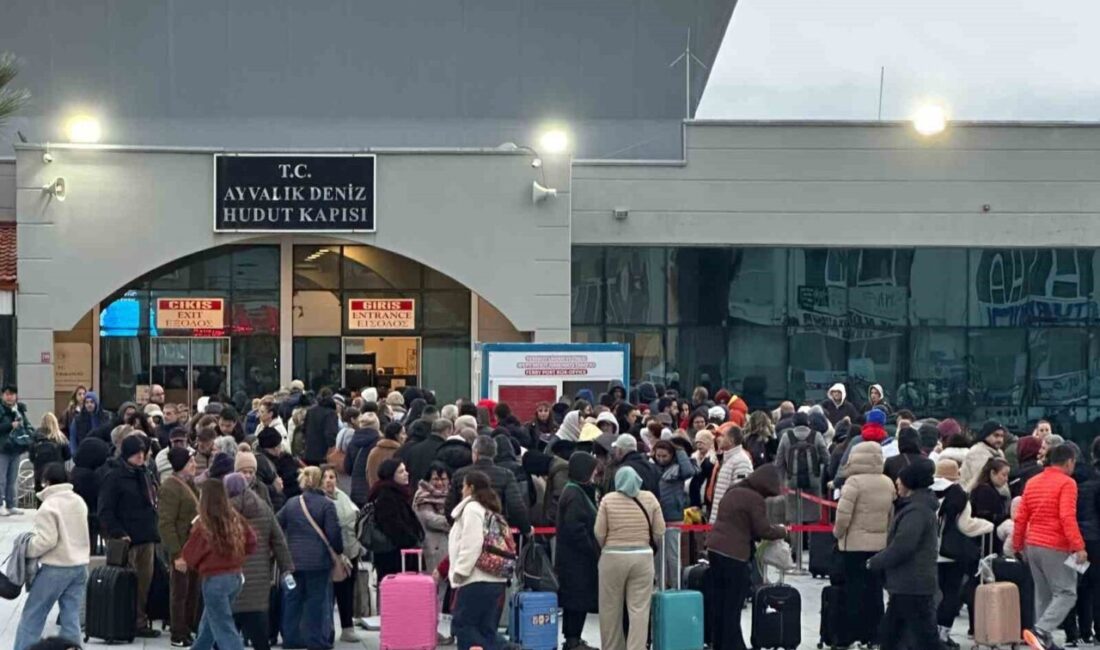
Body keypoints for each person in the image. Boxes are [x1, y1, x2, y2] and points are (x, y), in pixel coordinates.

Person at [1014, 444, 1087, 650]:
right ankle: (1041, 631)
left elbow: (1021, 517)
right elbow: (1066, 516)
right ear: (1070, 461)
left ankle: (1043, 641)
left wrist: (1018, 544)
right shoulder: (1067, 483)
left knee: (1043, 594)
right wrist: (1078, 546)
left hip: (1033, 544)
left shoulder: (1033, 482)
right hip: (1055, 544)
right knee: (1066, 593)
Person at [707, 463, 787, 650]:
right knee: (733, 604)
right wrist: (782, 531)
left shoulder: (733, 490)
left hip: (714, 549)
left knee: (720, 601)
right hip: (735, 554)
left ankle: (718, 642)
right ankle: (733, 645)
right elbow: (763, 529)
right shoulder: (754, 499)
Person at [12, 463, 90, 650]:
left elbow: (46, 541)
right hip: (79, 566)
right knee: (70, 616)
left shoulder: (48, 506)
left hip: (56, 567)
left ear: (46, 481)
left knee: (33, 615)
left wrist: (25, 547)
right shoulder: (78, 500)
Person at [867, 459, 941, 650]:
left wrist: (875, 561)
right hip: (908, 583)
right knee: (892, 634)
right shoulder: (917, 507)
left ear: (910, 482)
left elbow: (903, 546)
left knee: (924, 638)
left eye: (900, 479)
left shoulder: (916, 511)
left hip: (912, 583)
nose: (897, 483)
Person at [180, 479, 257, 650]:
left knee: (223, 626)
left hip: (214, 580)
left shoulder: (204, 524)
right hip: (236, 577)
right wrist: (237, 557)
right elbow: (252, 542)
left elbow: (190, 554)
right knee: (210, 623)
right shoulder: (235, 518)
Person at [98, 434, 161, 638]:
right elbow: (105, 510)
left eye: (143, 453)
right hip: (127, 540)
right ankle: (124, 621)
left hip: (147, 536)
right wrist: (118, 533)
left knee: (144, 584)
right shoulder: (115, 476)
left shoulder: (146, 474)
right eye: (136, 453)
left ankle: (139, 621)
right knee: (127, 585)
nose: (140, 457)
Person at [833, 441, 895, 648]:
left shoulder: (854, 482)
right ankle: (876, 634)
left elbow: (843, 517)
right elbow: (891, 516)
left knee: (853, 592)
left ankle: (852, 634)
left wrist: (837, 534)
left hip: (853, 546)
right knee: (875, 591)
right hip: (879, 546)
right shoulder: (888, 482)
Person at [594, 466, 664, 650]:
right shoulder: (650, 498)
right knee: (639, 609)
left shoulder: (608, 500)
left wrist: (609, 546)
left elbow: (599, 532)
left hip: (612, 557)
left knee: (610, 609)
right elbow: (660, 531)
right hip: (643, 557)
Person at [224, 472, 293, 650]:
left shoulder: (224, 512)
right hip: (259, 580)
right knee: (260, 635)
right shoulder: (263, 508)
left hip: (231, 578)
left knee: (226, 634)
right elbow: (279, 541)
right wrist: (287, 568)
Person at [277, 466, 343, 650]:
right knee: (317, 601)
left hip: (293, 561)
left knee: (293, 600)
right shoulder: (327, 504)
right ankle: (316, 640)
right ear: (320, 481)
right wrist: (338, 551)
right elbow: (334, 534)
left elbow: (277, 524)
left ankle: (290, 639)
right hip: (318, 562)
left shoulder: (291, 503)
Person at [448, 470, 511, 650]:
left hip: (476, 578)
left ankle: (509, 648)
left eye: (464, 486)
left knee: (463, 626)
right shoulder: (490, 509)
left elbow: (472, 543)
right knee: (486, 630)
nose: (461, 491)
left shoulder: (472, 509)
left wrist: (460, 572)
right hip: (495, 578)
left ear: (471, 488)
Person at [555, 452, 600, 650]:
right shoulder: (574, 493)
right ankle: (572, 639)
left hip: (574, 558)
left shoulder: (576, 490)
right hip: (577, 559)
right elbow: (575, 526)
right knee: (576, 599)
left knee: (576, 599)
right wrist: (591, 548)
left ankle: (574, 637)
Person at [158, 447, 201, 647]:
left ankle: (188, 627)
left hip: (194, 546)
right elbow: (166, 523)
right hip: (181, 548)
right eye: (190, 462)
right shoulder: (170, 487)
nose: (195, 464)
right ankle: (178, 632)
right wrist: (176, 554)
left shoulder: (191, 484)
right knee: (180, 592)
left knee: (192, 590)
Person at [446, 435, 532, 534]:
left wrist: (458, 525)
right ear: (494, 454)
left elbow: (450, 507)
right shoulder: (506, 475)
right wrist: (526, 529)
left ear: (475, 453)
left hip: (467, 528)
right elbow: (516, 506)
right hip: (496, 532)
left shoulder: (460, 474)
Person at [321, 465, 363, 642]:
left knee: (346, 591)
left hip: (350, 550)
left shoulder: (343, 497)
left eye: (332, 477)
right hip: (330, 553)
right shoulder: (320, 500)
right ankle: (327, 628)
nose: (329, 480)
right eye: (326, 477)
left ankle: (347, 627)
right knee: (329, 593)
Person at [366, 459, 425, 588]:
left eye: (405, 470)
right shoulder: (387, 496)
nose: (406, 474)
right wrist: (412, 539)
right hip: (394, 558)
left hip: (395, 555)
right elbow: (393, 527)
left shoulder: (395, 493)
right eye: (401, 471)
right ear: (391, 475)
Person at [414, 461, 454, 643]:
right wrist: (455, 523)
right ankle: (429, 631)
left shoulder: (452, 496)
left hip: (447, 550)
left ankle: (433, 631)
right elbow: (429, 519)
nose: (439, 483)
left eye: (443, 478)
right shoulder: (423, 496)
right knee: (432, 594)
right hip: (431, 550)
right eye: (435, 479)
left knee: (441, 594)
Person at [651, 439, 698, 586]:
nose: (661, 459)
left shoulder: (678, 469)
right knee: (658, 557)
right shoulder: (652, 468)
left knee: (673, 555)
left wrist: (680, 450)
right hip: (656, 517)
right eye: (658, 455)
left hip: (674, 516)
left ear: (671, 455)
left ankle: (676, 586)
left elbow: (689, 471)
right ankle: (660, 586)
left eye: (664, 456)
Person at [774, 411, 828, 524]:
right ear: (808, 422)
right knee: (812, 519)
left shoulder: (786, 437)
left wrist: (782, 482)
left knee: (794, 519)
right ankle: (809, 540)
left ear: (793, 423)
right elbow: (827, 459)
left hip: (792, 482)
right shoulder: (817, 436)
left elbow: (779, 462)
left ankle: (796, 540)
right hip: (813, 482)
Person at [707, 426, 755, 524]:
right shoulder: (728, 459)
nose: (718, 439)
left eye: (722, 436)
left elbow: (740, 495)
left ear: (731, 440)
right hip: (721, 520)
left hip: (731, 523)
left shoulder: (741, 461)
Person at [0, 383, 31, 515]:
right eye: (7, 394)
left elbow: (26, 425)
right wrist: (10, 425)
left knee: (12, 479)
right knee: (1, 479)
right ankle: (1, 504)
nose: (9, 397)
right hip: (2, 448)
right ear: (2, 395)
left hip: (16, 448)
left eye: (12, 394)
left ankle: (11, 504)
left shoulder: (19, 410)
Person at [255, 426, 299, 513]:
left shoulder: (259, 460)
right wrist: (274, 488)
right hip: (278, 506)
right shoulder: (264, 463)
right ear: (275, 448)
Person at [30, 412, 71, 495]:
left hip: (40, 472)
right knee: (57, 496)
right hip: (57, 472)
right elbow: (68, 455)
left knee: (41, 496)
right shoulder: (60, 437)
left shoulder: (35, 437)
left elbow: (31, 456)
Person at [345, 412, 380, 507]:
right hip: (372, 490)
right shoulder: (378, 444)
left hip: (356, 489)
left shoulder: (352, 442)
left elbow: (347, 468)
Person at [961, 420, 1007, 491]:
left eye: (1002, 436)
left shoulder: (998, 452)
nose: (1000, 440)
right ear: (986, 435)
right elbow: (982, 480)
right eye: (996, 435)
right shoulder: (977, 452)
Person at [302, 388, 340, 467]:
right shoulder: (331, 413)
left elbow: (304, 429)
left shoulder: (310, 411)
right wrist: (331, 449)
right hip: (323, 455)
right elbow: (330, 434)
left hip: (309, 452)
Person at [970, 457, 1011, 527]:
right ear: (993, 473)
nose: (1006, 479)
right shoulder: (985, 491)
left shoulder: (982, 488)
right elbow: (986, 517)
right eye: (1004, 475)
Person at [68, 390, 105, 456]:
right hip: (83, 454)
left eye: (91, 402)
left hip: (101, 454)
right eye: (87, 402)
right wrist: (75, 454)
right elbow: (73, 438)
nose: (89, 405)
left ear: (96, 403)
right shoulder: (78, 419)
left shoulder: (104, 418)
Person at [366, 421, 403, 486]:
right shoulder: (399, 452)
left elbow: (367, 473)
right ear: (397, 436)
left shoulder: (374, 451)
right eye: (403, 433)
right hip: (394, 493)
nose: (406, 436)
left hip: (374, 491)